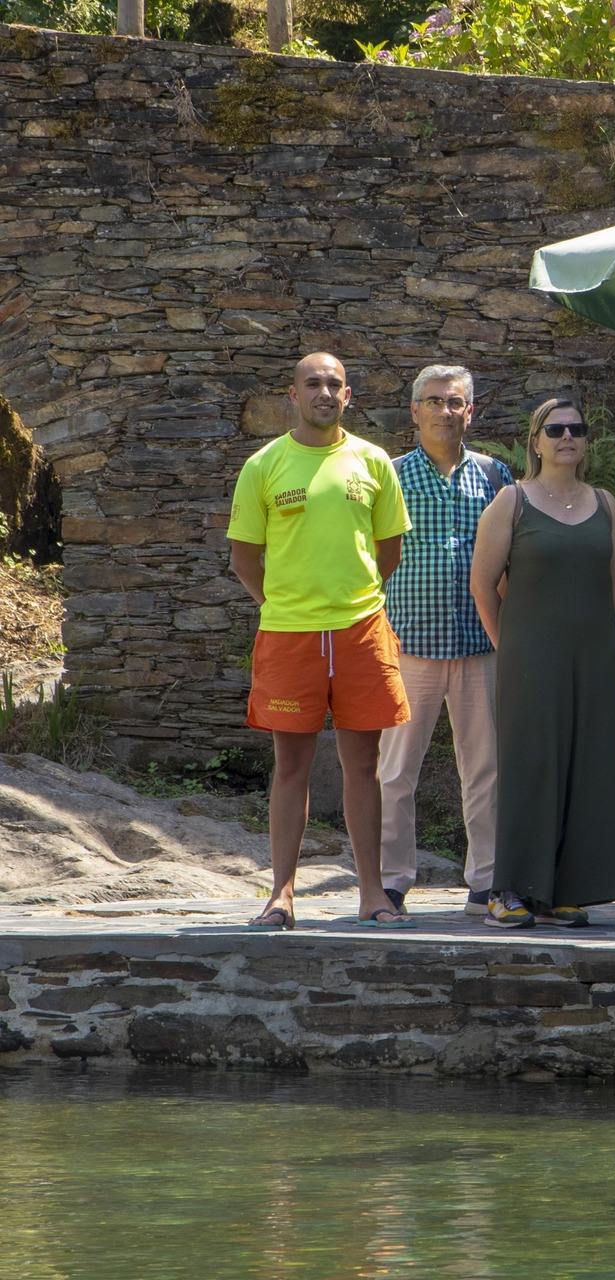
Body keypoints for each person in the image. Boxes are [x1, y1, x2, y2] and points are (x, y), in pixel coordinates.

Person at [226, 351, 413, 930]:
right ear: (293, 393)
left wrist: (346, 601)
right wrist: (284, 606)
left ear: (348, 395)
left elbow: (389, 552)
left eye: (334, 384)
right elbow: (243, 558)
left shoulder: (373, 461)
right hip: (289, 636)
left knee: (364, 765)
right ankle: (280, 894)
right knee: (291, 767)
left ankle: (372, 895)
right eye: (313, 383)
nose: (324, 393)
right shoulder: (264, 465)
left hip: (362, 631)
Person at [469, 398, 615, 927]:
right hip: (528, 656)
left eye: (576, 429)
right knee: (529, 765)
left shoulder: (606, 505)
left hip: (591, 655)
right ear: (535, 441)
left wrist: (586, 640)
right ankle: (509, 888)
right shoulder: (511, 501)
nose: (567, 437)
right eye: (555, 429)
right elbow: (483, 582)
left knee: (585, 766)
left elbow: (613, 589)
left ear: (586, 442)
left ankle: (565, 890)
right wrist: (509, 641)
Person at [376, 364, 514, 918]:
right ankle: (391, 881)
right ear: (414, 411)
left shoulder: (495, 474)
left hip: (480, 642)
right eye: (433, 402)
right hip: (408, 642)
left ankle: (486, 880)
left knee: (486, 768)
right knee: (395, 771)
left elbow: (512, 559)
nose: (444, 411)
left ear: (470, 411)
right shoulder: (388, 475)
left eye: (454, 402)